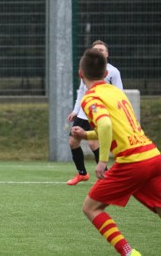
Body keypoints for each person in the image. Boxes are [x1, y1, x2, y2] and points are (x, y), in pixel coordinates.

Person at [71, 48, 160, 256]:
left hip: (132, 162)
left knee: (90, 207)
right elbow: (113, 127)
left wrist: (102, 161)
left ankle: (129, 253)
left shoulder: (90, 97)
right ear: (105, 74)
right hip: (152, 155)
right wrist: (86, 136)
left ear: (80, 74)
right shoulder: (116, 92)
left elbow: (104, 125)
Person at [66, 40, 123, 186]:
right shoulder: (87, 71)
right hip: (84, 112)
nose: (98, 52)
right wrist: (75, 110)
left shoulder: (113, 72)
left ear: (107, 54)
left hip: (99, 112)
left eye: (101, 50)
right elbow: (81, 92)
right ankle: (82, 174)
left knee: (93, 144)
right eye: (95, 50)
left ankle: (106, 175)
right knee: (73, 141)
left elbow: (118, 94)